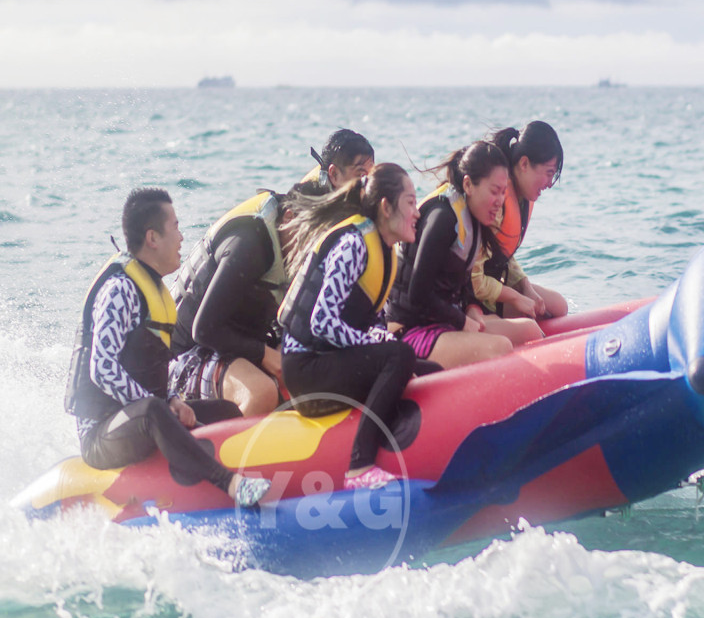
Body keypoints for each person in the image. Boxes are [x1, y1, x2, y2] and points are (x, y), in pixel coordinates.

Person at [65, 188, 271, 507]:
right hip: (102, 432)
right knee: (152, 410)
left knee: (225, 411)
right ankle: (229, 484)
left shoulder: (155, 292)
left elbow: (152, 370)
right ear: (152, 238)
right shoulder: (119, 290)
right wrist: (161, 406)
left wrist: (173, 400)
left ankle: (256, 470)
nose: (181, 237)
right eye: (175, 227)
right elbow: (102, 369)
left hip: (144, 417)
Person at [278, 163, 420, 489]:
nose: (417, 212)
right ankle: (359, 465)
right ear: (386, 207)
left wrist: (378, 339)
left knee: (421, 365)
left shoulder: (385, 250)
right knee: (400, 356)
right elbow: (322, 322)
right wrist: (375, 343)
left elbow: (365, 324)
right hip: (305, 371)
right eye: (410, 202)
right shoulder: (354, 245)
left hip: (329, 361)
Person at [387, 141, 538, 367]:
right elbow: (418, 293)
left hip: (445, 323)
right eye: (494, 191)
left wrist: (472, 310)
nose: (500, 202)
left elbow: (462, 281)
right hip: (409, 332)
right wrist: (461, 320)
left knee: (530, 331)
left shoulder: (473, 218)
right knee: (500, 348)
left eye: (503, 193)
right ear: (468, 184)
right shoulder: (443, 218)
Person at [169, 189, 293, 416]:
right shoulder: (249, 245)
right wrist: (266, 355)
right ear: (289, 217)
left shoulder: (294, 252)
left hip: (230, 350)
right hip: (182, 359)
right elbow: (204, 330)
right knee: (261, 393)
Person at [473, 120, 569, 321]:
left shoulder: (518, 197)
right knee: (529, 327)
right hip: (472, 296)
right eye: (549, 173)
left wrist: (524, 286)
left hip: (492, 286)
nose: (549, 184)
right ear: (524, 164)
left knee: (558, 306)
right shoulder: (496, 203)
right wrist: (516, 297)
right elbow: (474, 278)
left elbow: (500, 252)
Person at [291, 128, 375, 197]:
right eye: (361, 175)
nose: (368, 183)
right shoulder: (307, 206)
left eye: (372, 175)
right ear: (334, 174)